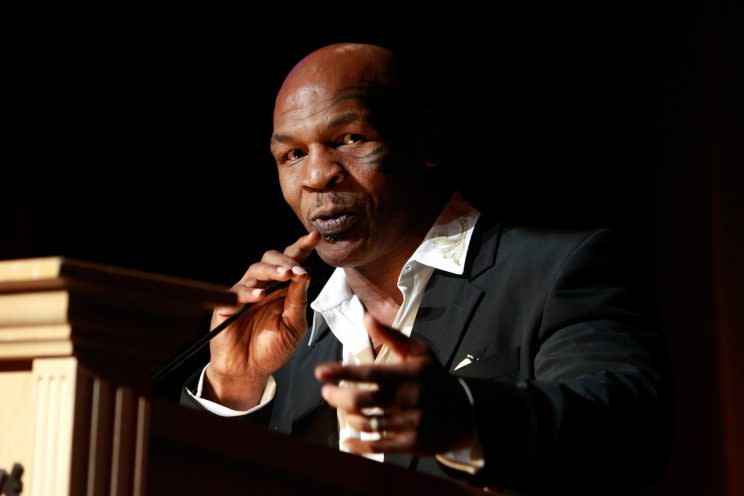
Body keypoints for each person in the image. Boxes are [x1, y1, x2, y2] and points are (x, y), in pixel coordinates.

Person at [181, 43, 671, 494]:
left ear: (427, 142)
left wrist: (465, 419)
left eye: (351, 138)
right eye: (292, 155)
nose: (315, 175)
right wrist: (234, 386)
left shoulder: (554, 269)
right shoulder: (284, 347)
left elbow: (627, 430)